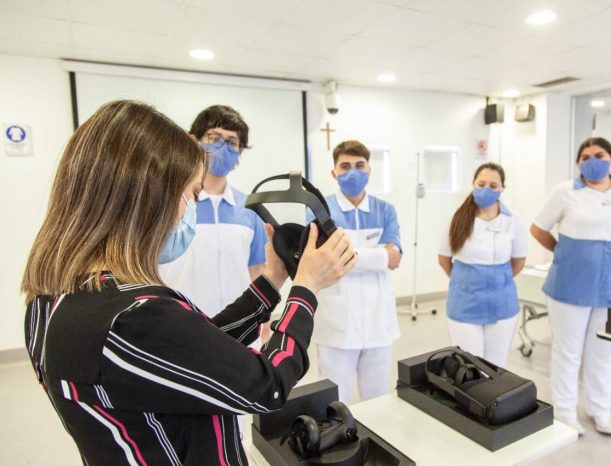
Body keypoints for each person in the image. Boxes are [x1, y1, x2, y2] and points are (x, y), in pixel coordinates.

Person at [22, 100, 357, 465]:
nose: (191, 208)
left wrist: (274, 279)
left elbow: (189, 354)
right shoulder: (136, 316)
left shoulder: (53, 302)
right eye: (192, 194)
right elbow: (267, 387)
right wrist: (306, 289)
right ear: (148, 197)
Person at [531, 137, 611, 436]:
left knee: (604, 352)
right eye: (584, 156)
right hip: (571, 284)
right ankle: (565, 411)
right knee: (568, 351)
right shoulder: (565, 192)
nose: (592, 160)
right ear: (578, 163)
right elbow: (538, 228)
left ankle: (600, 410)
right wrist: (565, 253)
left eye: (599, 154)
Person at [308, 140, 402, 404]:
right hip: (337, 323)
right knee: (333, 402)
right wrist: (379, 256)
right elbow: (322, 258)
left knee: (378, 400)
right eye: (345, 166)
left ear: (370, 170)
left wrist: (345, 254)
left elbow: (395, 258)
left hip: (378, 320)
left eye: (360, 165)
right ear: (333, 172)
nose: (353, 171)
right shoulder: (319, 210)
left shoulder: (386, 210)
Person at [159, 105, 268, 330]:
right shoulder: (170, 203)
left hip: (240, 330)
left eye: (232, 142)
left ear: (240, 151)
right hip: (180, 327)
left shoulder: (250, 209)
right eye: (214, 137)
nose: (222, 147)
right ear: (194, 140)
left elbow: (257, 271)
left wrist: (264, 325)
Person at [437, 163, 527, 368]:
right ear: (473, 184)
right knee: (469, 365)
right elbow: (444, 259)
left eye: (493, 185)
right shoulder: (457, 218)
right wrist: (466, 280)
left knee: (496, 366)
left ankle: (493, 401)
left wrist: (497, 280)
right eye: (481, 183)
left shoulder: (513, 220)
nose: (486, 189)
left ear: (503, 188)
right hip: (465, 304)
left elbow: (519, 261)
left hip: (502, 304)